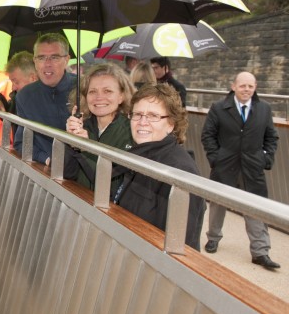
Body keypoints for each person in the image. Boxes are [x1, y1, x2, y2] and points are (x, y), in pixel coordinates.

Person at [201, 71, 280, 269]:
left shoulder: (264, 109)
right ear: (233, 86)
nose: (246, 90)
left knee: (256, 208)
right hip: (225, 165)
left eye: (250, 86)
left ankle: (260, 252)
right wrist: (216, 158)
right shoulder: (218, 108)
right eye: (242, 86)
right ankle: (213, 238)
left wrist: (265, 158)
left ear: (255, 88)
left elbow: (271, 137)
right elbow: (208, 135)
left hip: (252, 167)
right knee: (218, 205)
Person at [113, 84, 206, 250]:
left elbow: (182, 244)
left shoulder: (179, 172)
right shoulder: (141, 156)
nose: (142, 122)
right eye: (137, 114)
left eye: (153, 116)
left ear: (171, 123)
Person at [64, 63, 135, 194]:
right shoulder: (81, 126)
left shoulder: (132, 133)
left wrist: (85, 148)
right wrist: (71, 142)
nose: (99, 97)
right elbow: (66, 174)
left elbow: (108, 183)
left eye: (107, 91)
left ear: (121, 96)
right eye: (92, 91)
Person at [13, 33, 77, 165]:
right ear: (35, 62)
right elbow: (21, 143)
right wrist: (46, 159)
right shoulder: (24, 96)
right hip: (48, 173)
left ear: (67, 60)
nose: (47, 64)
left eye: (54, 57)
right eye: (41, 58)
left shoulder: (85, 89)